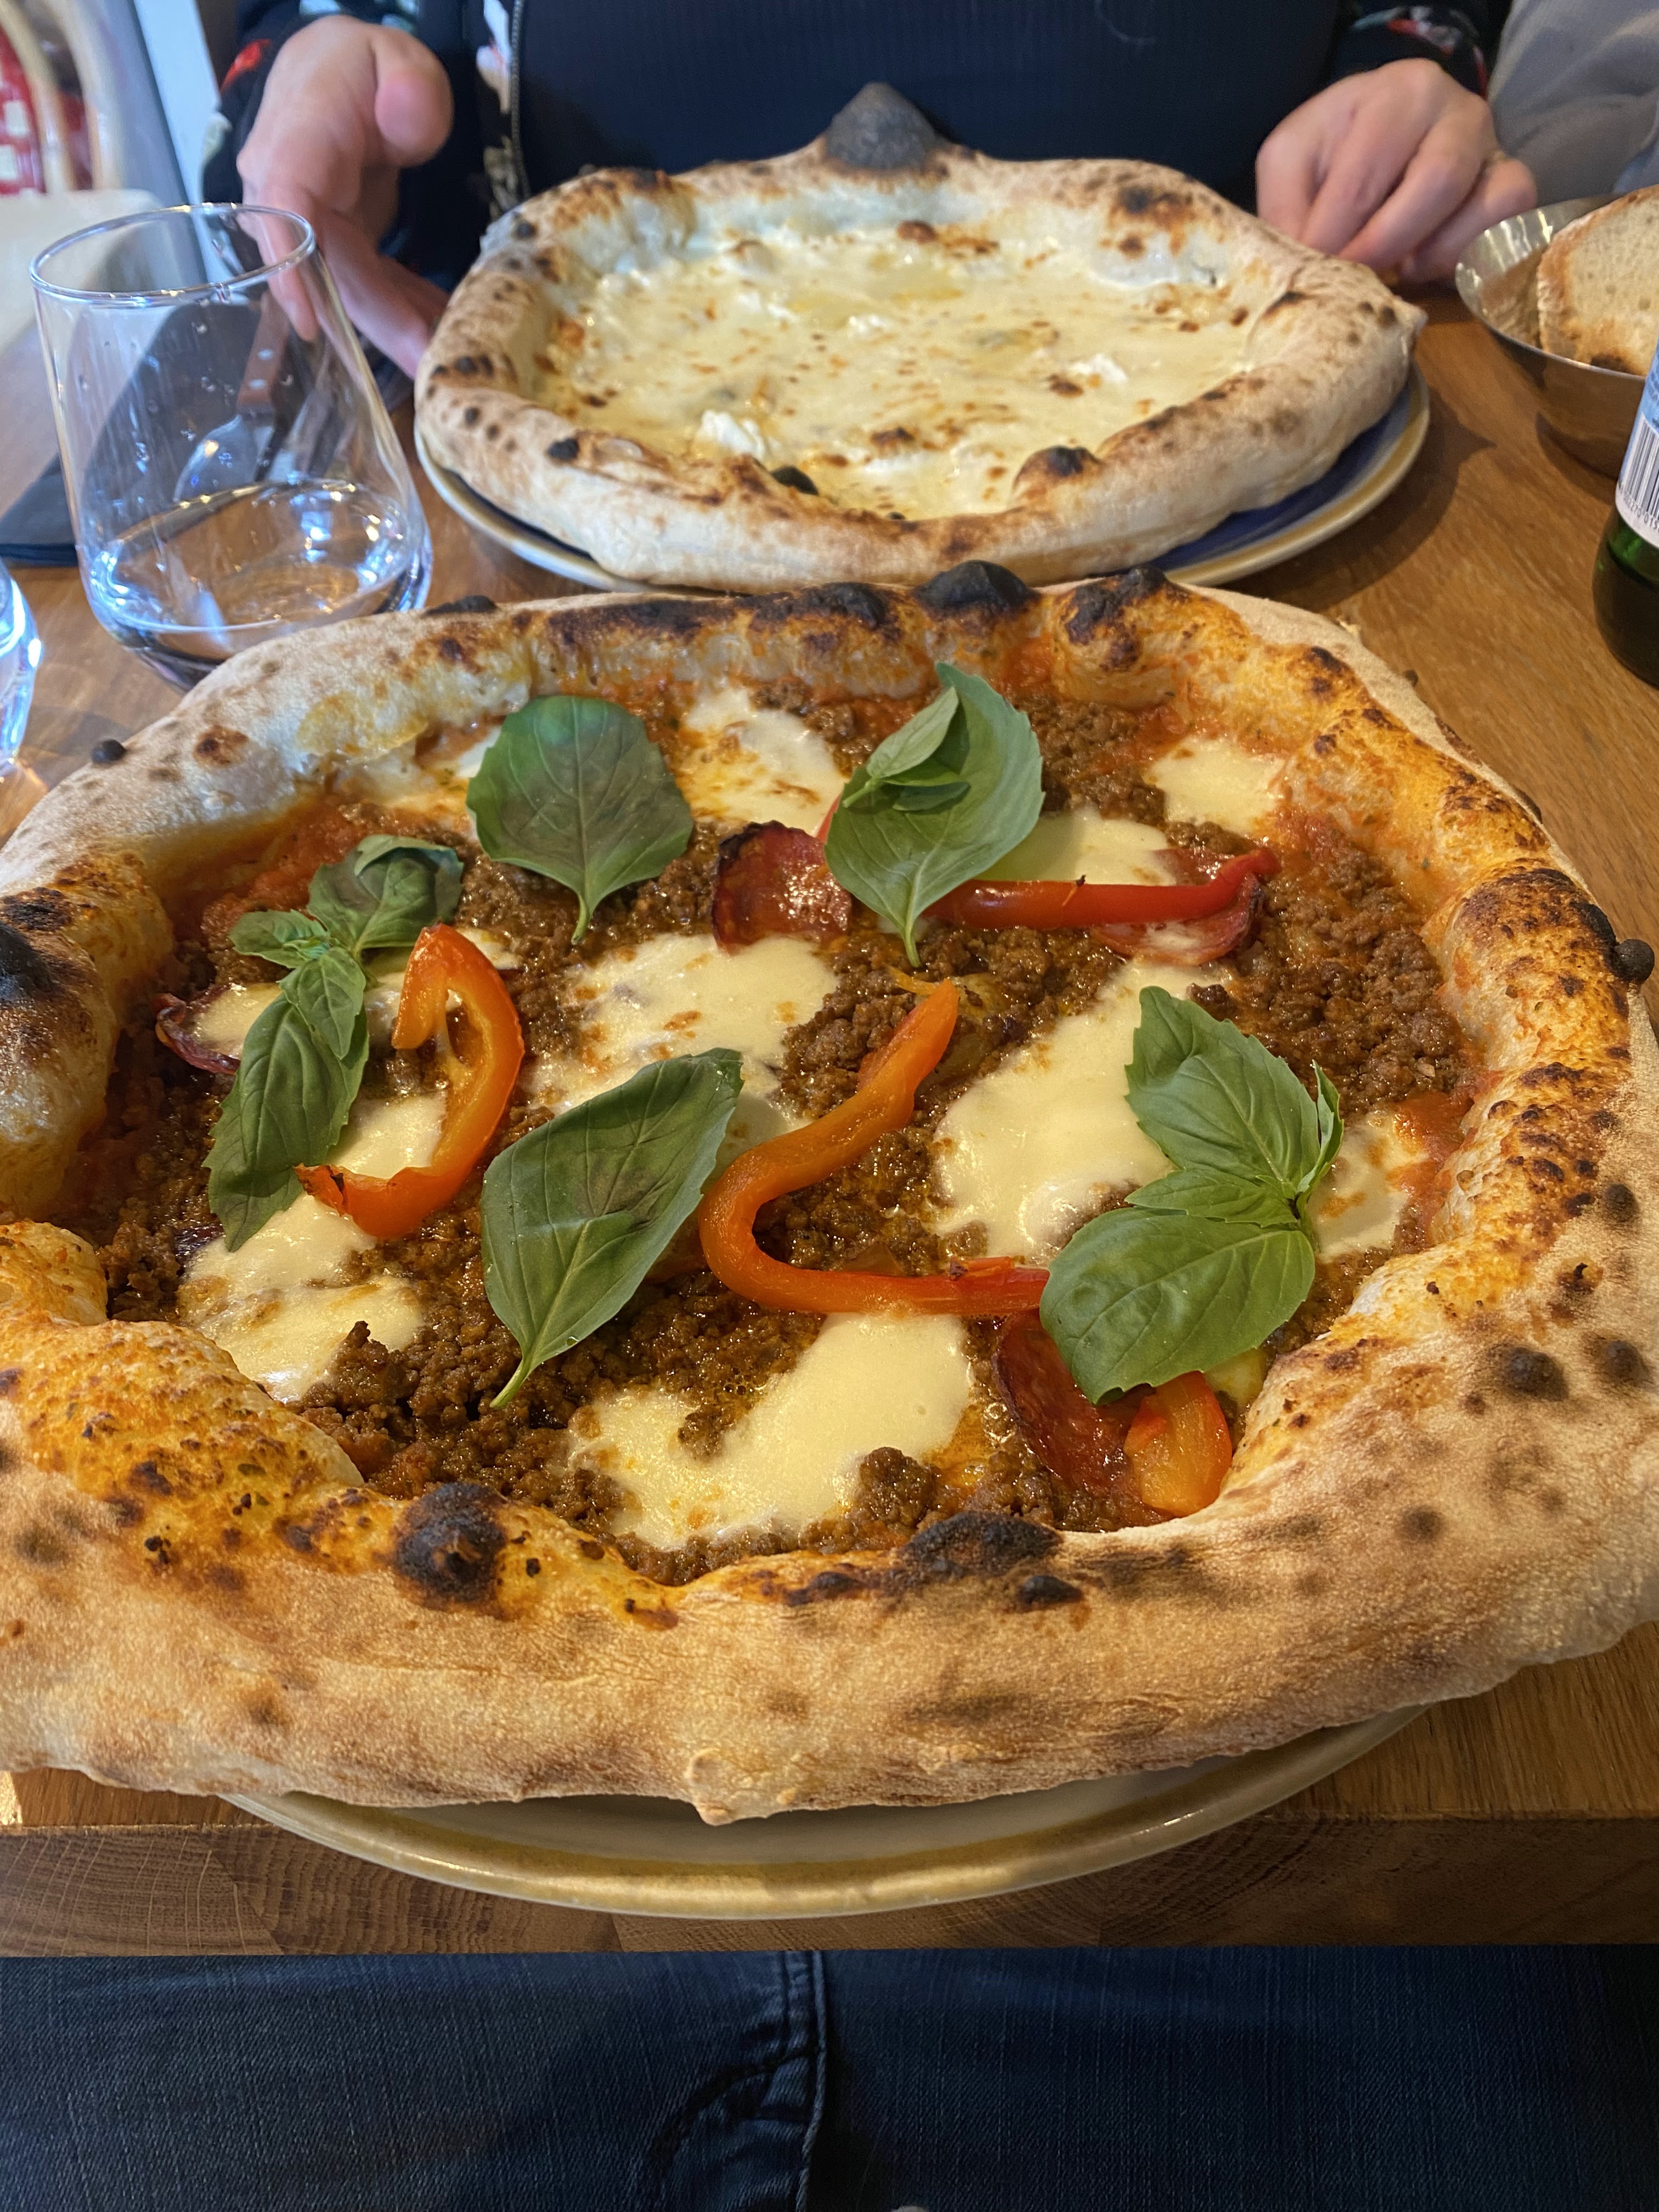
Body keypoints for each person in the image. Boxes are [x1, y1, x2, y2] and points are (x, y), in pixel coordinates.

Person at [206, 1, 1536, 377]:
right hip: (610, 409)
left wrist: (1410, 59)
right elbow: (357, 44)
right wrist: (325, 76)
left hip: (1243, 370)